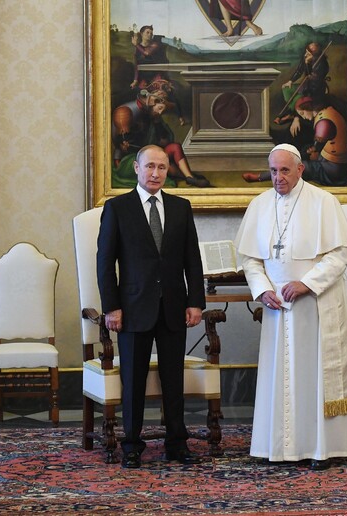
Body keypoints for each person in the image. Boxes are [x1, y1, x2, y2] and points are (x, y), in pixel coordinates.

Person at [234, 143, 347, 471]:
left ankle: (322, 448)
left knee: (314, 376)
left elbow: (339, 255)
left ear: (300, 169)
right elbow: (250, 259)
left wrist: (306, 283)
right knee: (280, 376)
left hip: (316, 305)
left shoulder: (324, 202)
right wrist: (263, 289)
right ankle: (277, 447)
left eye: (285, 170)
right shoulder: (259, 205)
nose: (278, 177)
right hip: (277, 308)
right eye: (273, 171)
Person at [96, 144, 206, 469]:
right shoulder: (117, 208)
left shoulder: (181, 207)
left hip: (173, 307)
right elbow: (105, 263)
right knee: (133, 382)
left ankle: (176, 444)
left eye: (161, 167)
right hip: (132, 309)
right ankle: (132, 445)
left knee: (174, 380)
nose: (155, 173)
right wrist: (111, 307)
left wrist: (195, 302)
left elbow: (192, 260)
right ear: (137, 168)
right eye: (150, 167)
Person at [111, 80, 210, 188]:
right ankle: (187, 176)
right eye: (159, 108)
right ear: (152, 101)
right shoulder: (126, 112)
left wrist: (157, 123)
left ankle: (189, 177)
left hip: (150, 153)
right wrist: (124, 143)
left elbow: (165, 141)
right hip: (130, 159)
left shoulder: (153, 115)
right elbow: (122, 142)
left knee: (174, 147)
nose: (160, 113)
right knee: (160, 163)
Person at [243, 97, 347, 186]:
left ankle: (260, 177)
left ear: (309, 108)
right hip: (331, 161)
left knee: (294, 167)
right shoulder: (327, 111)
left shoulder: (323, 121)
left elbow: (316, 148)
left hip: (332, 169)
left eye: (302, 113)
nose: (303, 116)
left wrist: (310, 152)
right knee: (300, 153)